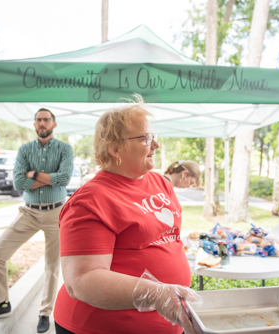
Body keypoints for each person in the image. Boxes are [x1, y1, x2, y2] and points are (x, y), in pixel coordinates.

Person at [53, 96, 201, 334]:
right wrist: (157, 293)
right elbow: (81, 281)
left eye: (153, 136)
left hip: (167, 323)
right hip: (99, 328)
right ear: (115, 148)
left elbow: (166, 238)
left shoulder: (160, 183)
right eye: (145, 138)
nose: (156, 145)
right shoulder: (90, 200)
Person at [0, 108, 74, 333]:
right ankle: (1, 303)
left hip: (55, 213)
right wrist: (47, 178)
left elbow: (64, 178)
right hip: (28, 212)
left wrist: (34, 174)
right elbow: (18, 183)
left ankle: (44, 312)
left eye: (46, 119)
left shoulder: (64, 149)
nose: (42, 123)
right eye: (39, 119)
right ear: (34, 124)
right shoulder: (24, 150)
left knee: (51, 266)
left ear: (54, 124)